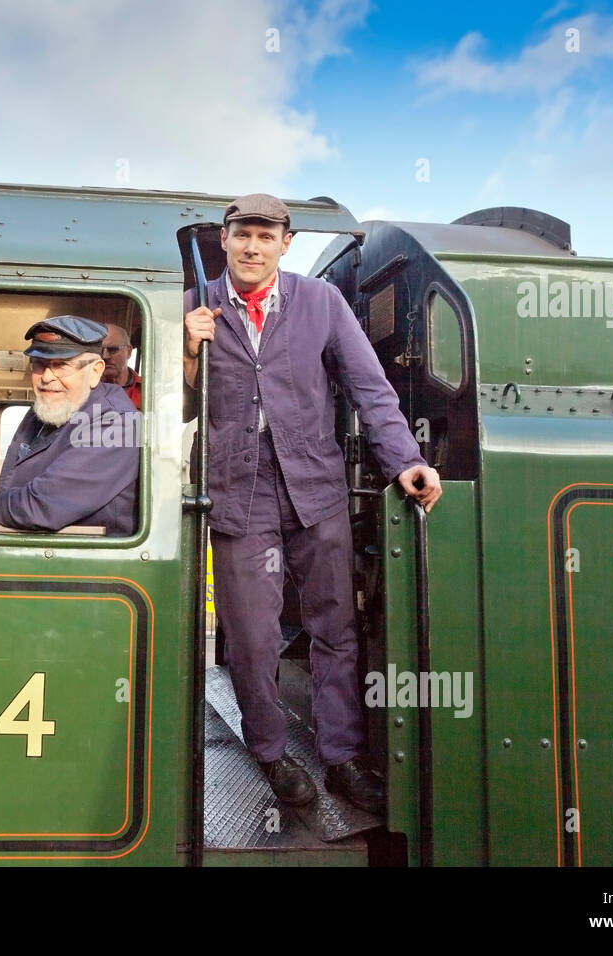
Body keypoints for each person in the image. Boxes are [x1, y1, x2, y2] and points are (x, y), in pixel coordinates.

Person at [183, 193, 441, 812]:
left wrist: (404, 460)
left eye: (266, 237)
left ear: (284, 245)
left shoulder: (322, 302)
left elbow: (369, 387)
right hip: (238, 494)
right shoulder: (194, 308)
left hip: (315, 492)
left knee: (336, 628)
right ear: (224, 239)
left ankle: (343, 757)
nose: (252, 246)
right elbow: (179, 407)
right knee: (250, 636)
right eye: (242, 234)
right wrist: (188, 352)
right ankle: (270, 753)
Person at [0, 315, 139, 536]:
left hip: (87, 566)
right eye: (40, 364)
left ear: (95, 372)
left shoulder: (117, 424)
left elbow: (43, 505)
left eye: (61, 365)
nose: (47, 377)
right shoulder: (44, 412)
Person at [102, 323, 143, 409]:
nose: (105, 356)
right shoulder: (85, 390)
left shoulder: (148, 390)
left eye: (112, 349)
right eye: (100, 350)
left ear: (129, 352)